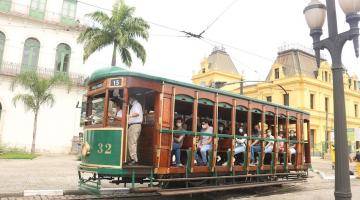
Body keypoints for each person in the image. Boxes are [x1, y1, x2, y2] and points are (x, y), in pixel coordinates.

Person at [127, 96, 143, 165]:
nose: (129, 101)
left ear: (132, 98)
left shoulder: (136, 105)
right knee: (131, 142)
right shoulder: (135, 105)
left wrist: (128, 115)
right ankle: (131, 158)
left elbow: (137, 113)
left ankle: (134, 159)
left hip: (135, 125)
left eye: (129, 99)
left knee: (132, 142)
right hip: (133, 125)